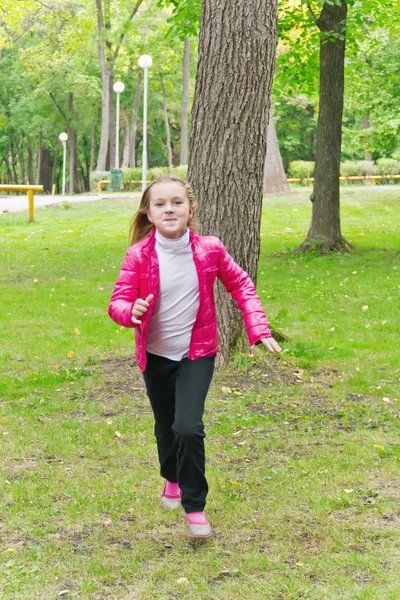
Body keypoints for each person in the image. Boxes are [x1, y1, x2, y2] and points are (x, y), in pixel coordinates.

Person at [108, 175, 281, 539]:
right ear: (149, 213)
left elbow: (241, 284)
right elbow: (118, 301)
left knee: (188, 427)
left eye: (177, 202)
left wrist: (258, 327)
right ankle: (170, 477)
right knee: (165, 427)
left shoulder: (210, 250)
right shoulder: (138, 255)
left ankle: (195, 507)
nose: (169, 209)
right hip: (155, 356)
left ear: (190, 210)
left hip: (197, 353)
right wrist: (131, 311)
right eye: (160, 204)